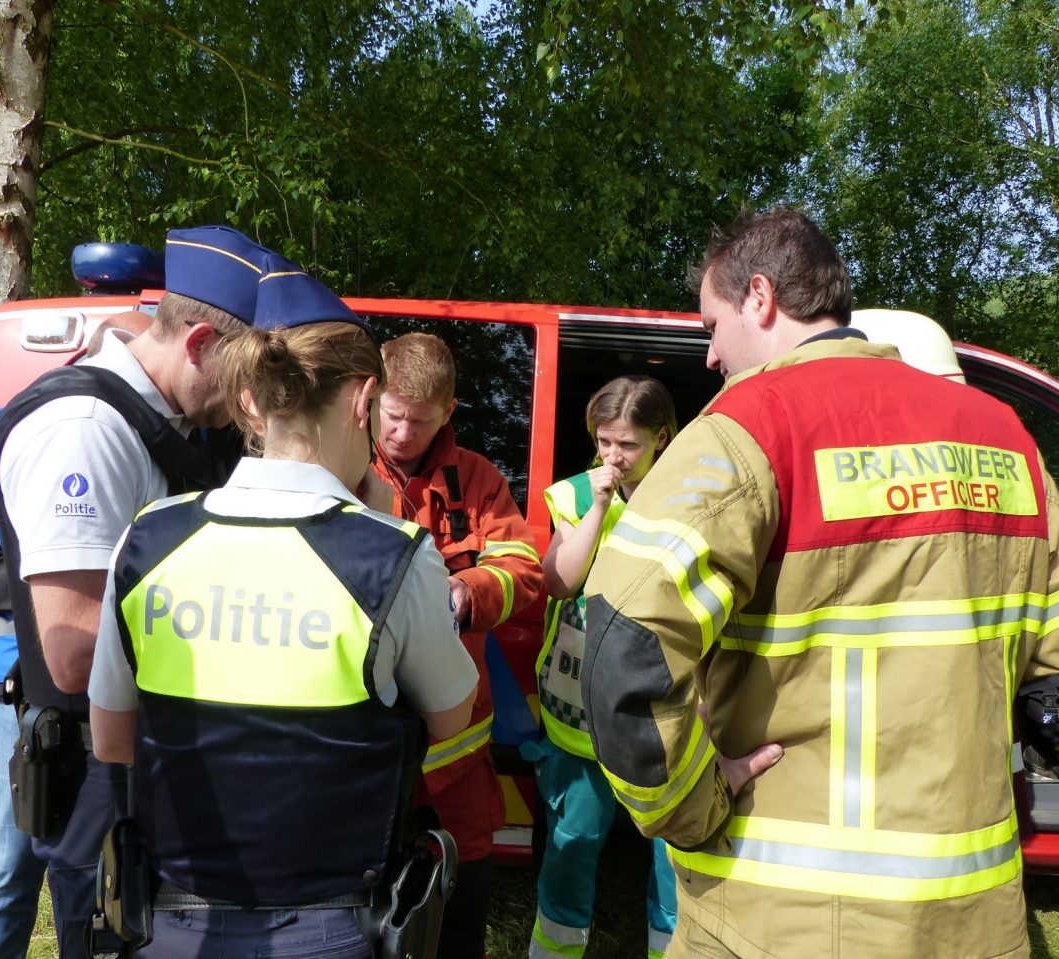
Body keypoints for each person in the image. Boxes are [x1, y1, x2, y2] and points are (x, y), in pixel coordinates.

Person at [580, 207, 1059, 958]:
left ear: (760, 297)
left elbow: (625, 642)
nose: (711, 356)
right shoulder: (1004, 434)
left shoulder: (745, 428)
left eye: (712, 325)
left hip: (779, 918)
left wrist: (688, 803)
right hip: (975, 921)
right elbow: (1050, 652)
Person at [88, 261, 477, 958]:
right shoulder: (392, 555)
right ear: (363, 401)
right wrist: (377, 521)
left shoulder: (149, 536)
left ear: (250, 400)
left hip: (175, 919)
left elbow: (113, 743)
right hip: (333, 927)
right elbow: (451, 715)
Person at [0, 225, 273, 958]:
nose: (243, 404)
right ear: (198, 342)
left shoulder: (156, 420)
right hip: (96, 773)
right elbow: (74, 650)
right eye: (239, 381)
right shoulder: (87, 429)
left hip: (136, 760)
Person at [0, 309, 165, 959]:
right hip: (25, 693)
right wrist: (43, 597)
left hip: (117, 696)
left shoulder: (147, 437)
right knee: (11, 863)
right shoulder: (21, 430)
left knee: (101, 871)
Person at [370, 332, 544, 959]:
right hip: (366, 744)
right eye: (392, 415)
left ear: (448, 411)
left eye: (419, 421)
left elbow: (523, 568)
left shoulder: (476, 479)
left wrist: (465, 591)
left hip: (456, 756)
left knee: (461, 909)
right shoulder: (344, 469)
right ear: (371, 401)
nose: (401, 433)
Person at [528, 375, 678, 959]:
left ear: (662, 438)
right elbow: (559, 581)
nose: (612, 456)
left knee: (671, 855)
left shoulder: (686, 498)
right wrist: (599, 505)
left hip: (659, 710)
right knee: (574, 838)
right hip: (578, 707)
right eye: (603, 441)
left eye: (628, 445)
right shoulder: (573, 493)